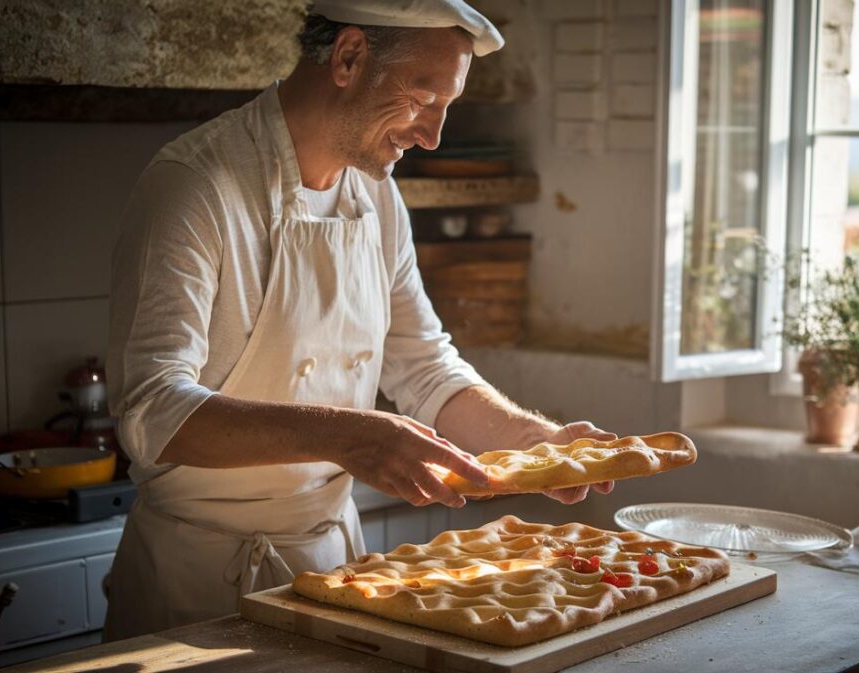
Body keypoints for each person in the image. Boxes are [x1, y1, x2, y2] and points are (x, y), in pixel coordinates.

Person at [103, 0, 615, 640]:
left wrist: (533, 442)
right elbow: (153, 413)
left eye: (445, 109)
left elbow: (425, 367)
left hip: (332, 571)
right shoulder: (196, 186)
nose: (432, 136)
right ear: (348, 57)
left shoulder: (376, 195)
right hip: (193, 587)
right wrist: (348, 435)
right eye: (424, 99)